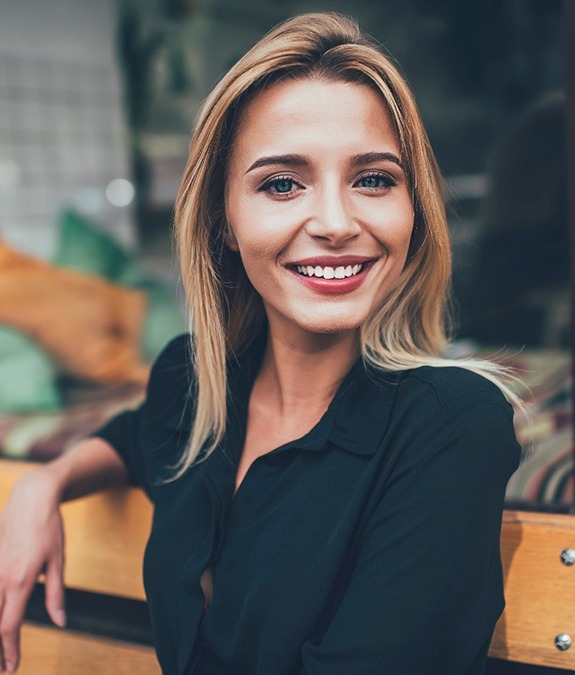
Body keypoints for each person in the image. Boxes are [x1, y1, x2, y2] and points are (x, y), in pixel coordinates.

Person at [0, 12, 520, 675]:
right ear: (222, 219)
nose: (335, 222)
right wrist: (43, 482)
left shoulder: (450, 421)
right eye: (281, 183)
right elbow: (135, 436)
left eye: (373, 179)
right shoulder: (195, 381)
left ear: (412, 211)